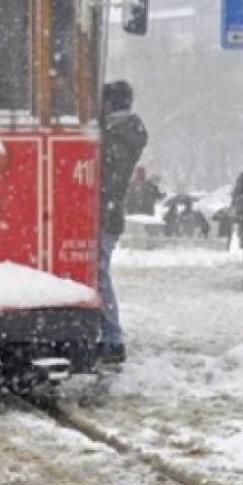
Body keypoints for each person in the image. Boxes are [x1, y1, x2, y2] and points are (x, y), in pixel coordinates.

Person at [96, 80, 148, 364]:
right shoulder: (127, 134)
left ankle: (113, 337)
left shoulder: (114, 137)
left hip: (104, 214)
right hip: (110, 213)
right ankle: (108, 335)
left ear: (109, 105)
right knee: (98, 273)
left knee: (98, 273)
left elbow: (107, 176)